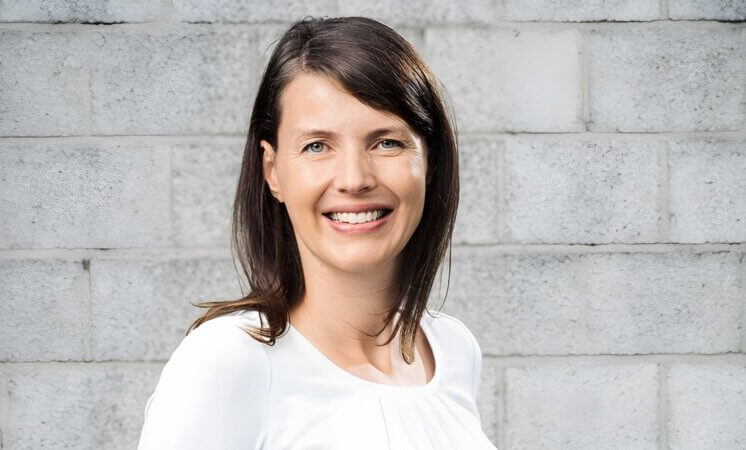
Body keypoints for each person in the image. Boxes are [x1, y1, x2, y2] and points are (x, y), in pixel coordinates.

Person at [137, 15, 497, 449]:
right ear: (273, 170)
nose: (354, 179)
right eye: (317, 146)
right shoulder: (228, 361)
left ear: (430, 161)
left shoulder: (452, 349)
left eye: (386, 142)